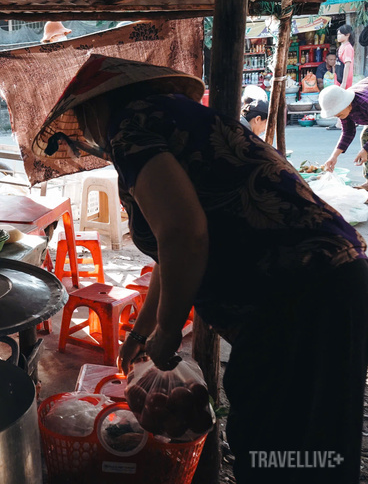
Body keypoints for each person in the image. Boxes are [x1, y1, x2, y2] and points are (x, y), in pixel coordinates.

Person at [33, 55, 368, 483]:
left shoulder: (130, 127)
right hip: (332, 276)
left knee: (272, 443)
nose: (88, 135)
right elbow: (170, 254)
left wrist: (169, 332)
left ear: (98, 107)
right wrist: (141, 333)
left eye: (83, 120)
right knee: (317, 443)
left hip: (294, 293)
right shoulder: (174, 118)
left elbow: (185, 235)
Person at [320, 80, 368, 189]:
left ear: (348, 103)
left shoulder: (364, 104)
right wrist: (334, 156)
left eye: (339, 113)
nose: (338, 116)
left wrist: (365, 150)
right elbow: (348, 132)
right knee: (365, 137)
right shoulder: (345, 108)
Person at [337, 24, 355, 90]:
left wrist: (344, 83)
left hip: (344, 79)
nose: (338, 36)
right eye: (338, 34)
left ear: (347, 35)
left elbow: (347, 66)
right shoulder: (341, 47)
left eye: (340, 34)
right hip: (338, 77)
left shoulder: (348, 48)